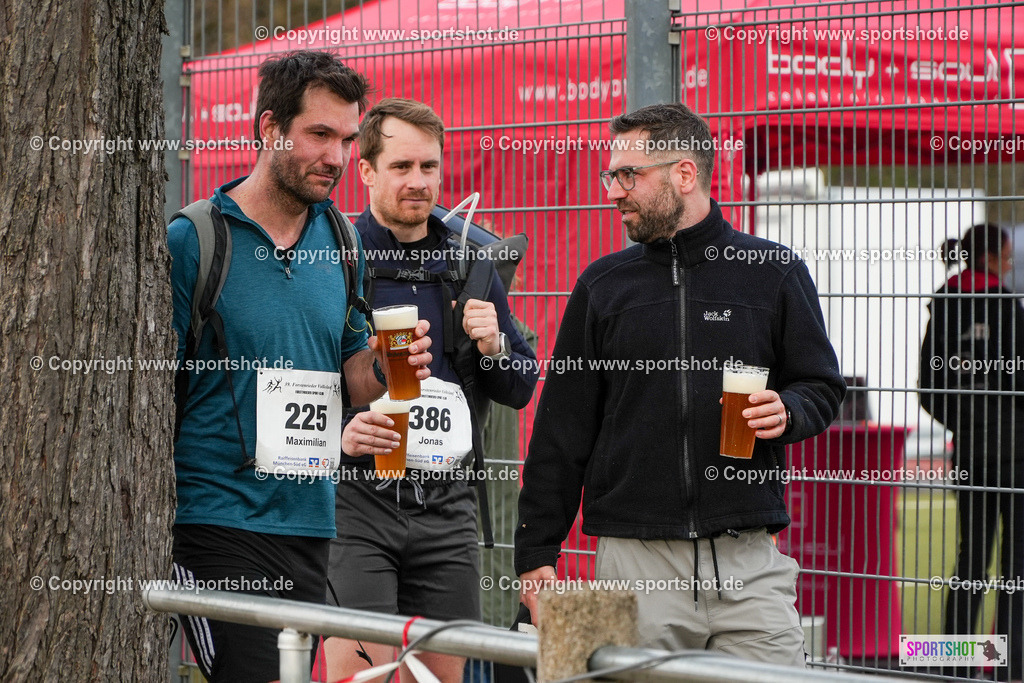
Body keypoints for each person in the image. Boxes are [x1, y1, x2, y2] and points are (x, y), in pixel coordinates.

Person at [514, 102, 845, 665]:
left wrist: (789, 410)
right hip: (635, 564)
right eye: (610, 175)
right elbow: (561, 429)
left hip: (750, 565)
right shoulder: (602, 287)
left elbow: (820, 384)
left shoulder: (774, 272)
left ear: (684, 174)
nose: (614, 190)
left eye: (628, 175)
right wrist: (536, 550)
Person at [168, 52, 433, 682]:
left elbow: (351, 374)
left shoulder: (343, 242)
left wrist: (394, 367)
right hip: (217, 518)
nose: (338, 158)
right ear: (269, 129)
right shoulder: (196, 239)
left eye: (346, 139)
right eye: (319, 135)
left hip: (312, 518)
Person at [324, 98, 539, 683]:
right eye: (401, 167)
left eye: (429, 167)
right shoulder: (337, 255)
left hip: (447, 505)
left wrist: (494, 346)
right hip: (358, 501)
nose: (418, 183)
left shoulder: (469, 260)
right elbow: (302, 378)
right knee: (359, 677)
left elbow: (520, 387)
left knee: (441, 679)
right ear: (365, 170)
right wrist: (346, 428)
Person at [919, 223, 1024, 681]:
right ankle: (1008, 667)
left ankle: (954, 664)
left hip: (972, 454)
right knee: (1015, 569)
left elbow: (928, 389)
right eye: (1007, 255)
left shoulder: (943, 305)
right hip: (1017, 453)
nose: (1011, 262)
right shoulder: (1007, 304)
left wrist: (967, 425)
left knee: (971, 563)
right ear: (992, 256)